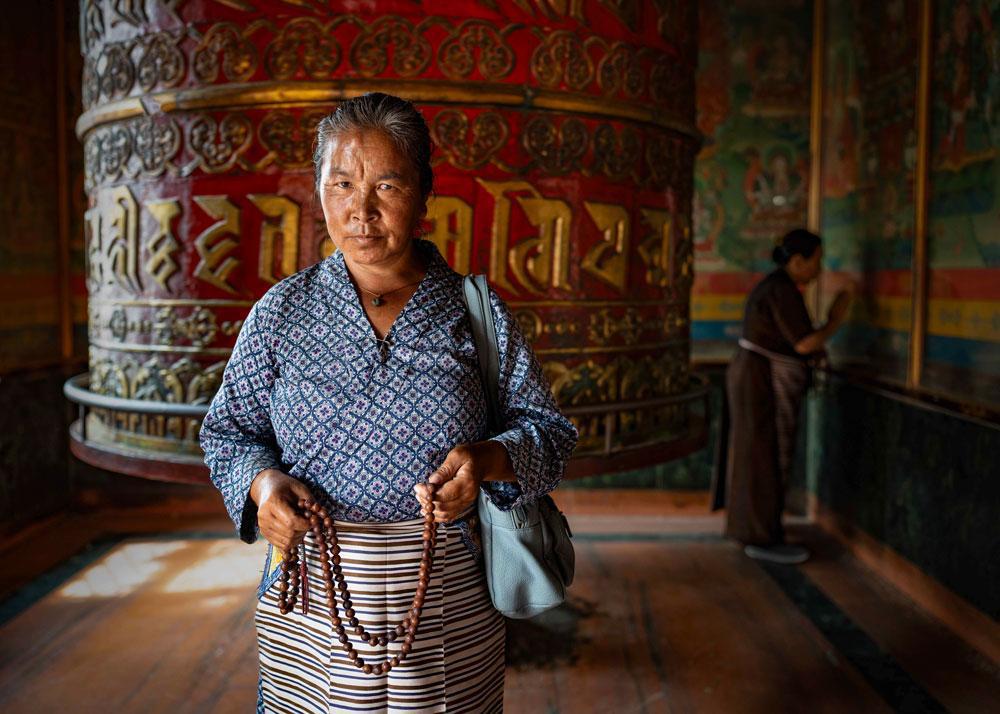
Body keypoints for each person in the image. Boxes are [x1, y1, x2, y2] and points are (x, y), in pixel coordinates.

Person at [199, 92, 578, 713]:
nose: (362, 211)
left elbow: (551, 437)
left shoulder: (472, 312)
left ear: (425, 195)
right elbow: (228, 433)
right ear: (318, 190)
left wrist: (488, 459)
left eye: (388, 186)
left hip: (448, 599)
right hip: (314, 594)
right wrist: (262, 486)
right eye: (342, 183)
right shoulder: (281, 313)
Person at [710, 229, 852, 565]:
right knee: (763, 456)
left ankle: (757, 530)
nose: (819, 268)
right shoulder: (781, 289)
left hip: (754, 375)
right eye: (816, 261)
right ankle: (760, 536)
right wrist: (835, 320)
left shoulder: (778, 286)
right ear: (798, 261)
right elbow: (804, 343)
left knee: (758, 455)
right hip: (760, 380)